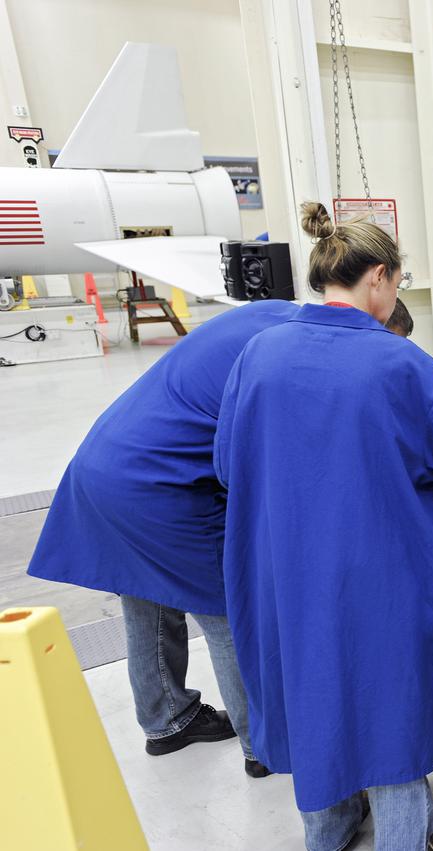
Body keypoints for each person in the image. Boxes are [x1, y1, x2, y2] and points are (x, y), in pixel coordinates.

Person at [214, 202, 433, 851]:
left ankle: (327, 831)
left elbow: (227, 461)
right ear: (379, 277)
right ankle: (402, 839)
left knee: (314, 695)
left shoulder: (260, 352)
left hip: (284, 575)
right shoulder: (397, 363)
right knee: (388, 708)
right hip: (373, 582)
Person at [27, 298, 298, 775]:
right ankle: (262, 747)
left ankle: (166, 719)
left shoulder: (270, 315)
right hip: (158, 484)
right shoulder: (288, 349)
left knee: (147, 592)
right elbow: (255, 461)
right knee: (229, 612)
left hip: (105, 458)